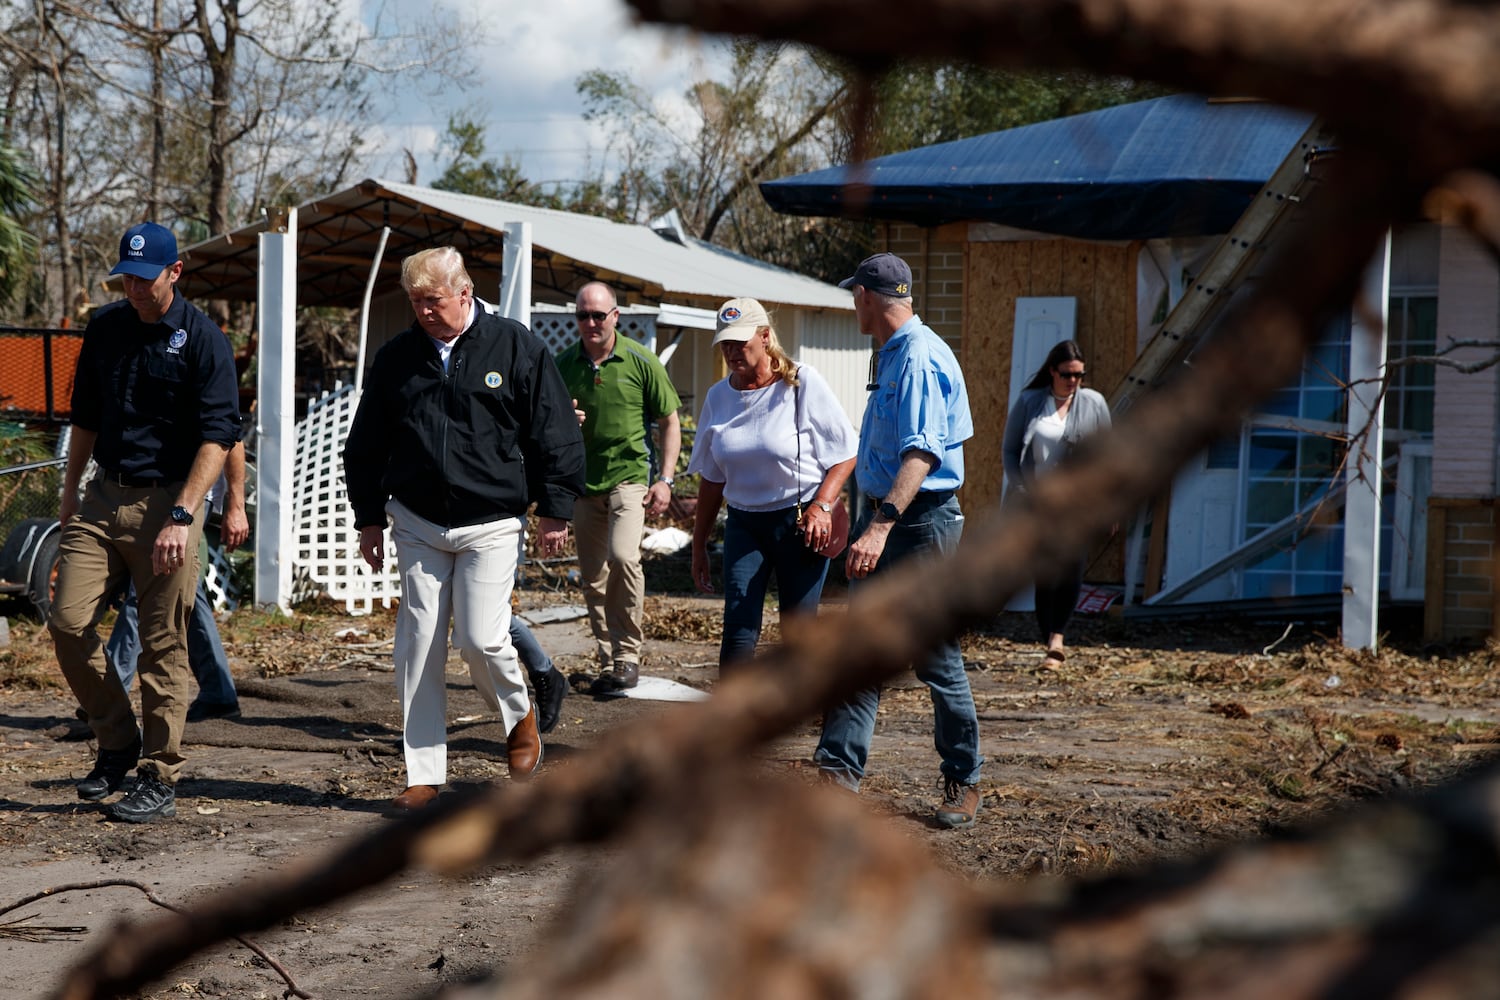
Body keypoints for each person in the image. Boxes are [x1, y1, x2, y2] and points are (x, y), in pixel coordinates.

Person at [343, 247, 583, 811]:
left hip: (493, 521)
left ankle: (520, 714)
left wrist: (557, 505)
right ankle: (423, 773)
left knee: (480, 637)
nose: (424, 311)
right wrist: (368, 517)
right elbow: (367, 441)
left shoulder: (515, 344)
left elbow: (552, 426)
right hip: (419, 520)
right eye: (416, 302)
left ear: (464, 293)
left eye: (434, 300)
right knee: (417, 646)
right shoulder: (397, 357)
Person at [48, 220, 241, 824]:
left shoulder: (204, 339)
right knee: (66, 620)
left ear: (174, 273)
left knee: (163, 644)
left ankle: (159, 773)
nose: (132, 287)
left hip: (170, 502)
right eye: (125, 277)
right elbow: (86, 417)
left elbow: (219, 435)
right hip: (105, 495)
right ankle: (117, 741)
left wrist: (185, 514)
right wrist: (69, 493)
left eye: (143, 277)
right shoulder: (105, 328)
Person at [812, 252, 985, 830]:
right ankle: (836, 778)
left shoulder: (916, 357)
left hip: (919, 524)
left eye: (853, 294)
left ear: (868, 296)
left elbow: (922, 452)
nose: (851, 303)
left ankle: (965, 779)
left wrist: (880, 526)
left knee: (935, 656)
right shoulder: (892, 354)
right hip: (888, 514)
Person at [687, 298, 857, 669]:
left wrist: (823, 504)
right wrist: (699, 544)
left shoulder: (801, 383)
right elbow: (712, 479)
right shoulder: (718, 397)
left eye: (741, 342)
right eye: (726, 344)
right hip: (745, 524)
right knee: (738, 627)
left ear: (765, 337)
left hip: (800, 522)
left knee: (798, 628)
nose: (733, 351)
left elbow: (845, 453)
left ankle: (796, 706)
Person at [554, 281, 682, 691]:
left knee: (624, 557)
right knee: (592, 577)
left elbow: (670, 421)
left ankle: (628, 654)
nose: (590, 322)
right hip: (583, 482)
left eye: (598, 315)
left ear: (615, 317)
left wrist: (665, 479)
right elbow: (543, 423)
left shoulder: (640, 361)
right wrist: (561, 422)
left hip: (629, 478)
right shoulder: (563, 365)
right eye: (582, 315)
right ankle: (610, 661)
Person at [105, 438, 249, 722]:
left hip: (189, 497)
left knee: (147, 588)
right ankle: (218, 693)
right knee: (186, 590)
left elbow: (231, 437)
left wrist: (236, 504)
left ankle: (108, 697)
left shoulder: (206, 393)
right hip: (150, 493)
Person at [1002, 339, 1113, 665]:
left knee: (1071, 568)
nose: (1073, 381)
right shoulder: (1030, 402)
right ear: (1053, 371)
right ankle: (1047, 632)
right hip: (1036, 503)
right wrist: (1022, 487)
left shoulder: (1094, 404)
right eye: (1067, 374)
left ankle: (1057, 637)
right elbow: (1010, 450)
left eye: (1079, 375)